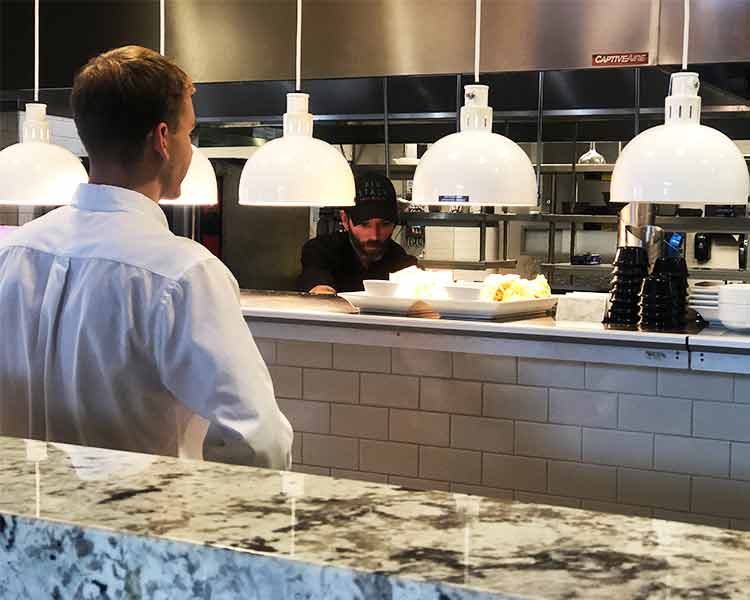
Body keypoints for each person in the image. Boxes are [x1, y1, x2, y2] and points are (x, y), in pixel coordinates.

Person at [0, 46, 292, 469]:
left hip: (17, 524)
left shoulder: (10, 254)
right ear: (161, 140)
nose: (190, 149)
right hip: (134, 528)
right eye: (188, 134)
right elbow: (257, 440)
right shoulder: (185, 274)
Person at [298, 172, 417, 294]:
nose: (374, 235)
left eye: (385, 224)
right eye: (364, 224)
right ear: (345, 219)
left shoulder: (399, 260)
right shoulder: (321, 251)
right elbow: (319, 289)